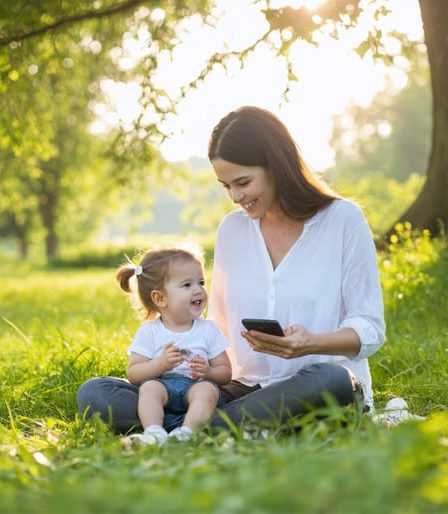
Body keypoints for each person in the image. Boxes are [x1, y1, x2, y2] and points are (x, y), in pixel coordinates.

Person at [77, 106, 385, 433]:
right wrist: (190, 372)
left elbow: (369, 328)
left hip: (312, 384)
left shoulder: (343, 220)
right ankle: (214, 426)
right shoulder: (232, 230)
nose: (236, 197)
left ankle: (186, 429)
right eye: (226, 186)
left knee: (332, 380)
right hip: (240, 392)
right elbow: (218, 326)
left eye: (242, 182)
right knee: (96, 392)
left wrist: (311, 343)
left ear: (276, 166)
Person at [114, 247, 231, 445]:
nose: (198, 289)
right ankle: (154, 432)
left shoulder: (209, 329)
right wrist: (160, 365)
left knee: (207, 391)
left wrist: (208, 371)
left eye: (201, 282)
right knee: (149, 388)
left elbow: (226, 373)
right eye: (187, 284)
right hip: (163, 388)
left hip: (195, 388)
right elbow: (133, 373)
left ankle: (187, 432)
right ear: (160, 298)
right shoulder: (149, 332)